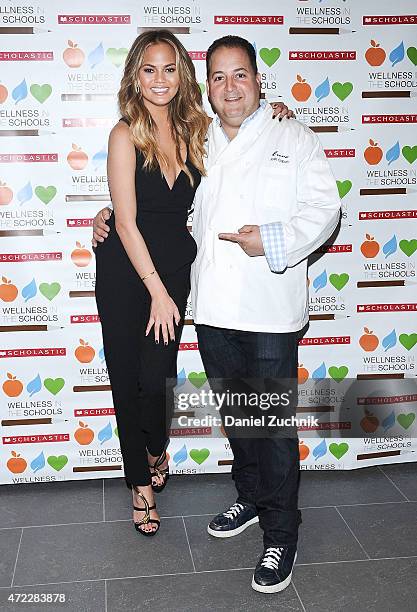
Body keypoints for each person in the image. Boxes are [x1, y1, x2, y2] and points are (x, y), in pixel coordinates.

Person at [93, 30, 292, 538]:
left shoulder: (197, 130)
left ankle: (155, 448)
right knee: (126, 381)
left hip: (178, 268)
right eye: (148, 69)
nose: (159, 80)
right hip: (127, 270)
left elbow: (245, 135)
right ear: (135, 78)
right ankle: (140, 486)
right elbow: (127, 220)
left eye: (169, 68)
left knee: (156, 379)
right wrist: (154, 287)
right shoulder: (124, 133)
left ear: (182, 75)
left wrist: (279, 113)